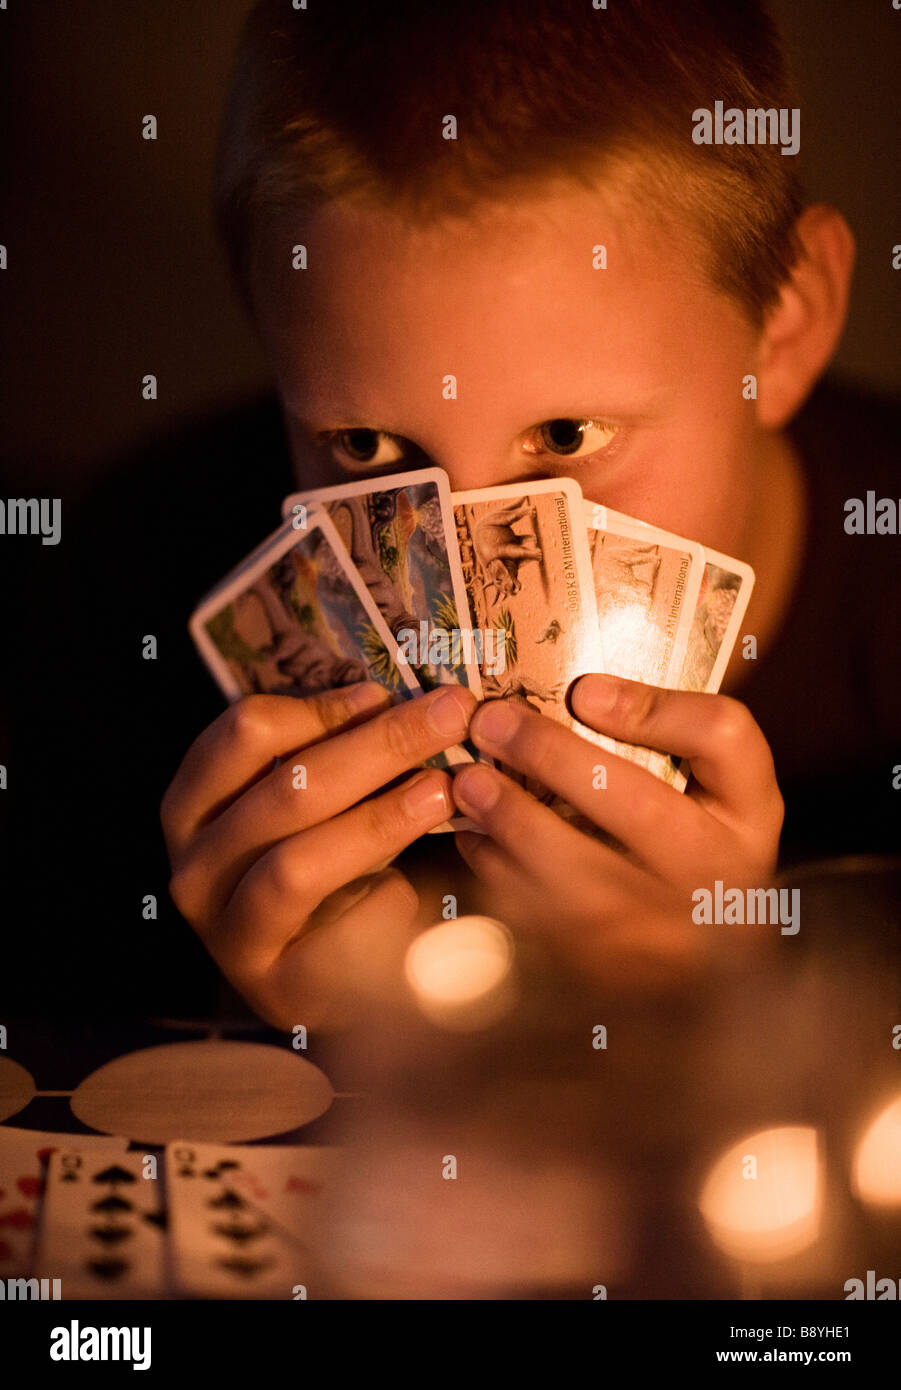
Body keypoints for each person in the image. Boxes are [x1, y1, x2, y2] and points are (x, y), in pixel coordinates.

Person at [14, 1, 898, 1029]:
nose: (467, 586)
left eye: (566, 435)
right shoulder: (127, 584)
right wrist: (302, 1033)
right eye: (366, 448)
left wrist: (718, 1018)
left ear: (784, 326)